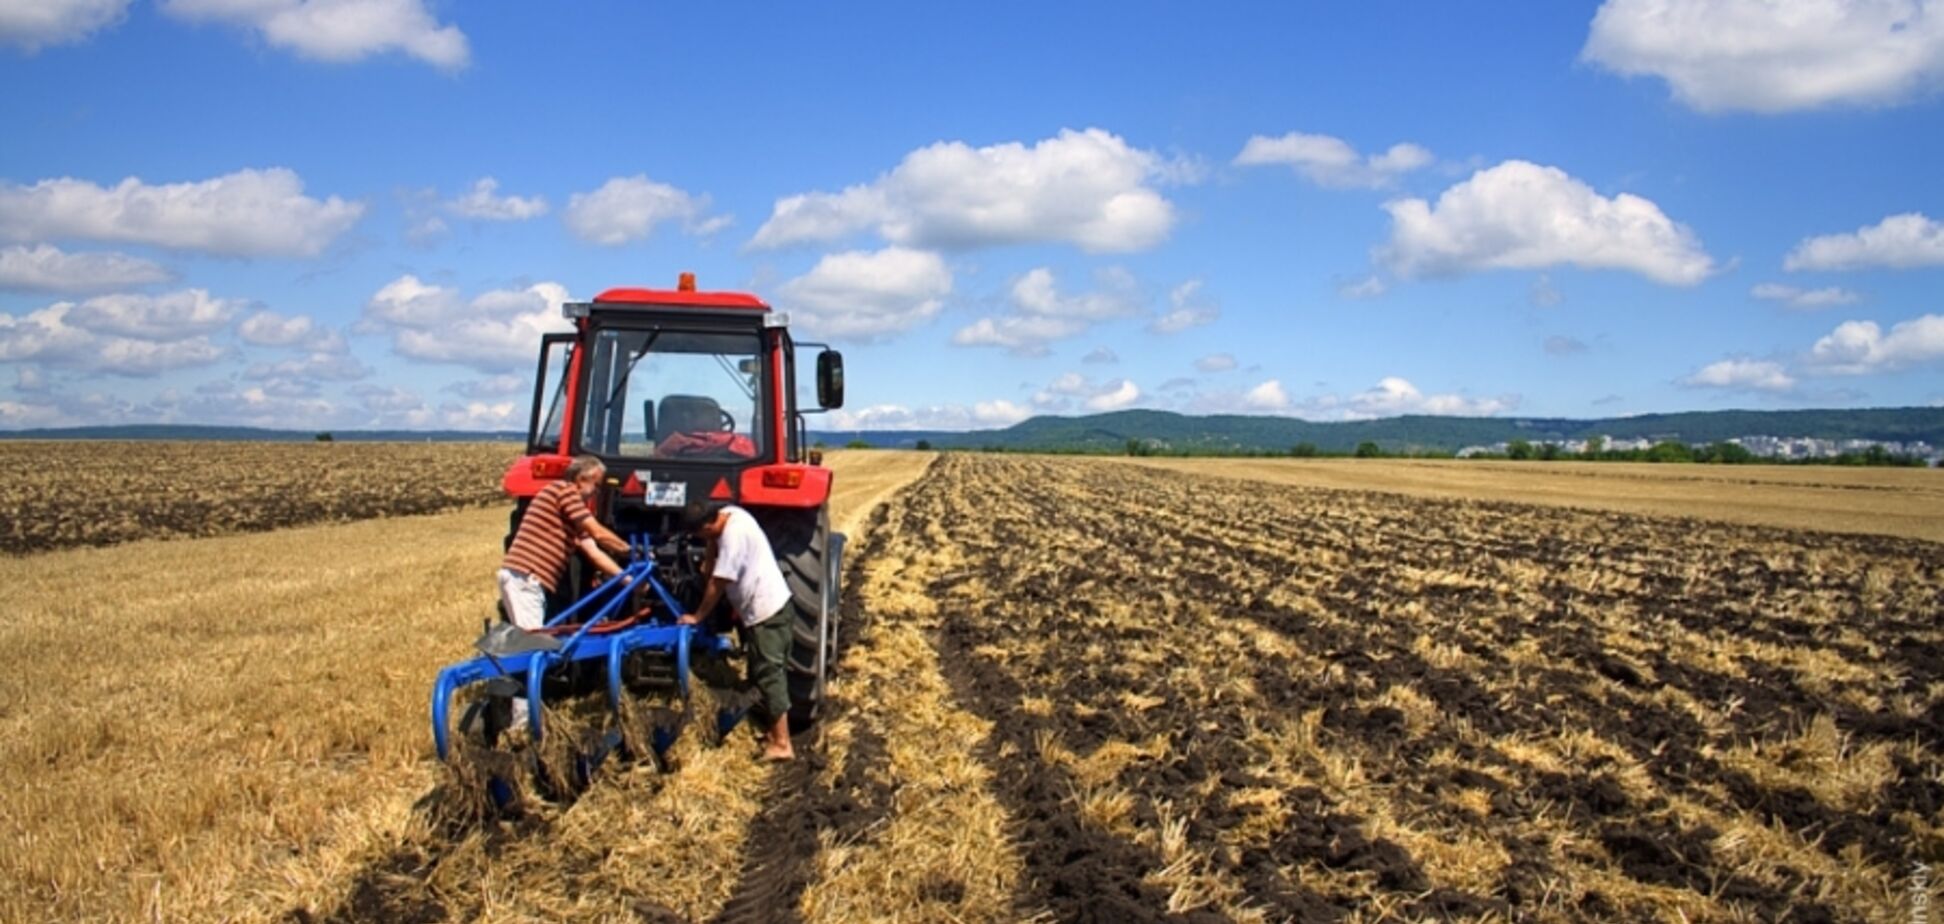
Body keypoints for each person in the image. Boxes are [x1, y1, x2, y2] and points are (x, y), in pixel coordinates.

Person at [677, 501, 796, 761]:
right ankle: (771, 732)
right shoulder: (730, 514)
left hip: (766, 611)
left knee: (769, 673)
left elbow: (718, 584)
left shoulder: (733, 538)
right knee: (760, 670)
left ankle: (782, 744)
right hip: (763, 608)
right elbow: (712, 542)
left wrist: (697, 617)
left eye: (701, 534)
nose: (703, 540)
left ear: (709, 524)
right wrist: (708, 561)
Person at [499, 454, 632, 634]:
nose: (597, 492)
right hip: (525, 577)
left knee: (533, 640)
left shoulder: (573, 512)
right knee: (532, 644)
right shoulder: (564, 491)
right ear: (581, 479)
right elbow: (599, 534)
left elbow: (594, 552)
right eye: (597, 485)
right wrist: (630, 550)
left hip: (528, 580)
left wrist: (628, 580)